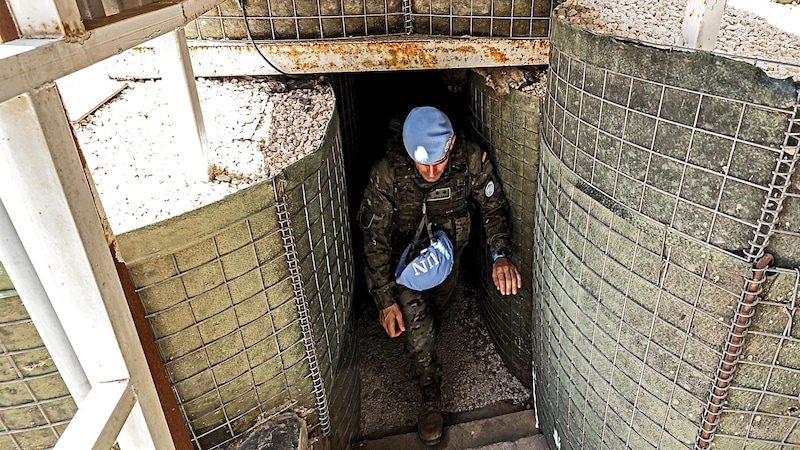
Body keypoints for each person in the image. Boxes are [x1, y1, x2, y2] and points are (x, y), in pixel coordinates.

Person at [358, 106, 522, 446]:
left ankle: (425, 347)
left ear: (450, 146)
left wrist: (500, 255)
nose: (432, 173)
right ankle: (430, 396)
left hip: (447, 262)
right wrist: (385, 300)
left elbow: (492, 207)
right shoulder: (387, 174)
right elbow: (374, 241)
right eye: (423, 164)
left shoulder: (470, 159)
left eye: (439, 163)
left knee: (436, 314)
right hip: (405, 268)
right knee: (419, 329)